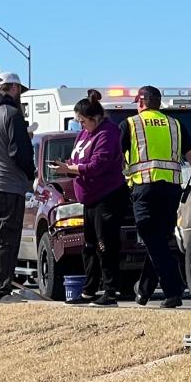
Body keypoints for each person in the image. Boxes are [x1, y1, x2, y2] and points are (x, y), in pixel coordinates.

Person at [120, 85, 191, 308]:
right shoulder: (175, 124)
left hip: (143, 188)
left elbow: (116, 158)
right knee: (159, 241)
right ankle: (143, 289)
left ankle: (174, 290)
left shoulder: (130, 124)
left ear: (141, 103)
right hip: (171, 189)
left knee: (151, 238)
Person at [52, 97, 129, 306]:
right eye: (79, 121)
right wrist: (67, 164)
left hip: (108, 195)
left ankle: (110, 291)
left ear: (96, 118)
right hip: (89, 198)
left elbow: (97, 165)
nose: (81, 125)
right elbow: (78, 160)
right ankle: (89, 290)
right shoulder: (84, 134)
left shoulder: (108, 133)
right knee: (89, 246)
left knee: (106, 245)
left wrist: (70, 170)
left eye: (83, 121)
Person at [0, 72, 36, 303]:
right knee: (6, 238)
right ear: (12, 88)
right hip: (7, 183)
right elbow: (19, 152)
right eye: (18, 89)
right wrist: (31, 175)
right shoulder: (11, 114)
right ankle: (1, 292)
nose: (20, 94)